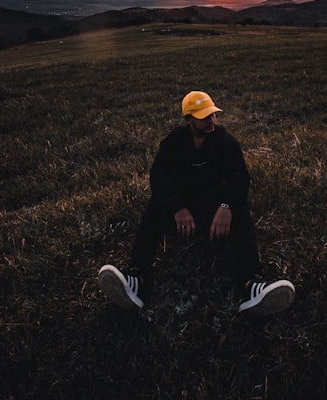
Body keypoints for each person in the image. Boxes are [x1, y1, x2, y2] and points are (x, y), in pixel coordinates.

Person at [97, 91, 295, 316]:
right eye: (203, 116)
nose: (210, 120)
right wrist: (177, 207)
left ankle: (252, 287)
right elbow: (158, 176)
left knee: (241, 208)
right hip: (182, 213)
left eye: (212, 114)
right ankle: (135, 280)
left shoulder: (225, 141)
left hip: (214, 212)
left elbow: (240, 176)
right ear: (188, 119)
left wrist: (226, 206)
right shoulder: (174, 142)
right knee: (154, 207)